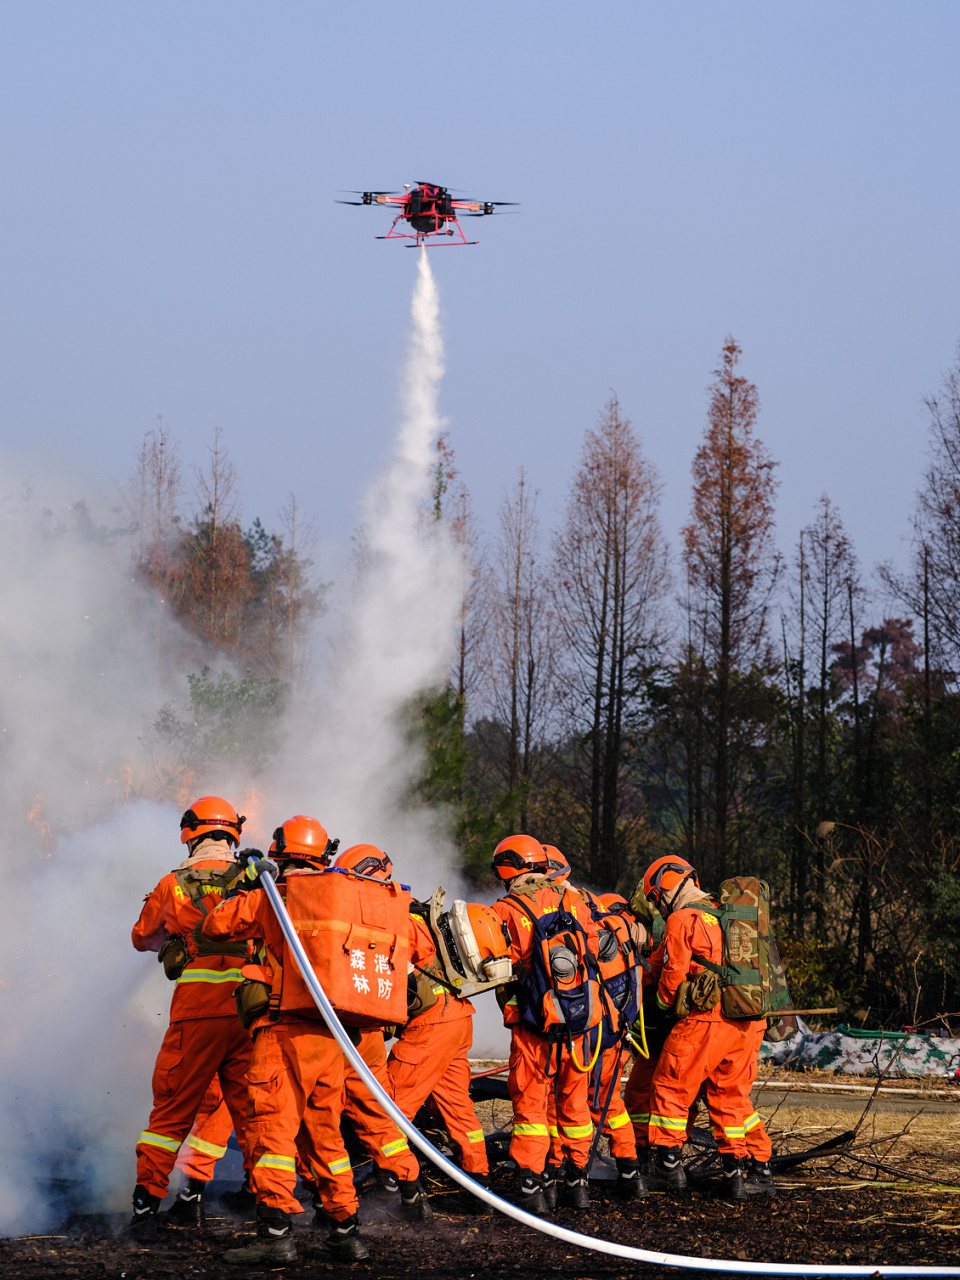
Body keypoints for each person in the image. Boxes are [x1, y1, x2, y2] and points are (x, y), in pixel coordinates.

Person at [199, 822, 433, 1266]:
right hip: (335, 1034)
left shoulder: (278, 892)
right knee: (325, 1135)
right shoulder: (352, 900)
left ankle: (275, 1235)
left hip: (284, 1030)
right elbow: (419, 949)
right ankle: (346, 1233)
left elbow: (215, 926)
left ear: (280, 854)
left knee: (272, 1130)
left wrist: (246, 884)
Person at [126, 796, 254, 1240]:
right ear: (232, 835)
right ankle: (270, 1217)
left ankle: (145, 1215)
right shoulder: (257, 883)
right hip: (249, 1011)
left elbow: (142, 937)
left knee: (172, 1111)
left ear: (191, 834)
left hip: (197, 1012)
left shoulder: (172, 884)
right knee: (250, 1113)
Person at [637, 856, 769, 1202]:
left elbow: (671, 980)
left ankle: (667, 1167)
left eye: (656, 898)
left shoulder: (683, 918)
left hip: (708, 1021)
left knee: (670, 1086)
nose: (658, 906)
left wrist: (658, 1008)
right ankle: (742, 1173)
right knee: (730, 1098)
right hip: (748, 1021)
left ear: (664, 889)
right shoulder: (731, 914)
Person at [491, 834, 600, 1213]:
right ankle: (578, 1181)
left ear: (506, 869)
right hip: (579, 1020)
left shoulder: (506, 908)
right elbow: (592, 947)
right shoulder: (575, 898)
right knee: (574, 1102)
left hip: (533, 1023)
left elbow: (497, 970)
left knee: (532, 1106)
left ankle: (531, 1187)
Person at [386, 896, 499, 1210]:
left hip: (431, 1025)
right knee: (456, 1108)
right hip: (458, 1016)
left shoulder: (398, 922)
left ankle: (399, 1189)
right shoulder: (417, 915)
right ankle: (480, 1187)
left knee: (388, 1108)